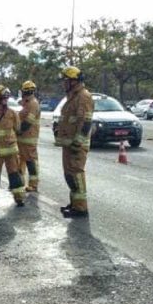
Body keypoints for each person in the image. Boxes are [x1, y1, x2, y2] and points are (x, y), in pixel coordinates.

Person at [55, 66, 94, 218]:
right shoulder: (73, 96)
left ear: (73, 81)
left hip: (76, 145)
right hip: (69, 144)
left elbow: (85, 122)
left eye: (65, 81)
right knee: (70, 175)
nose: (63, 84)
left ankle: (81, 208)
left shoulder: (83, 96)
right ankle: (74, 203)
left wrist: (78, 142)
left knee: (76, 175)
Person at [18, 81, 41, 192]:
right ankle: (19, 182)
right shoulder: (26, 103)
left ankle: (33, 184)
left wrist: (17, 130)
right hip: (22, 138)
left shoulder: (33, 104)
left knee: (30, 161)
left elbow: (27, 123)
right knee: (20, 161)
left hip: (29, 138)